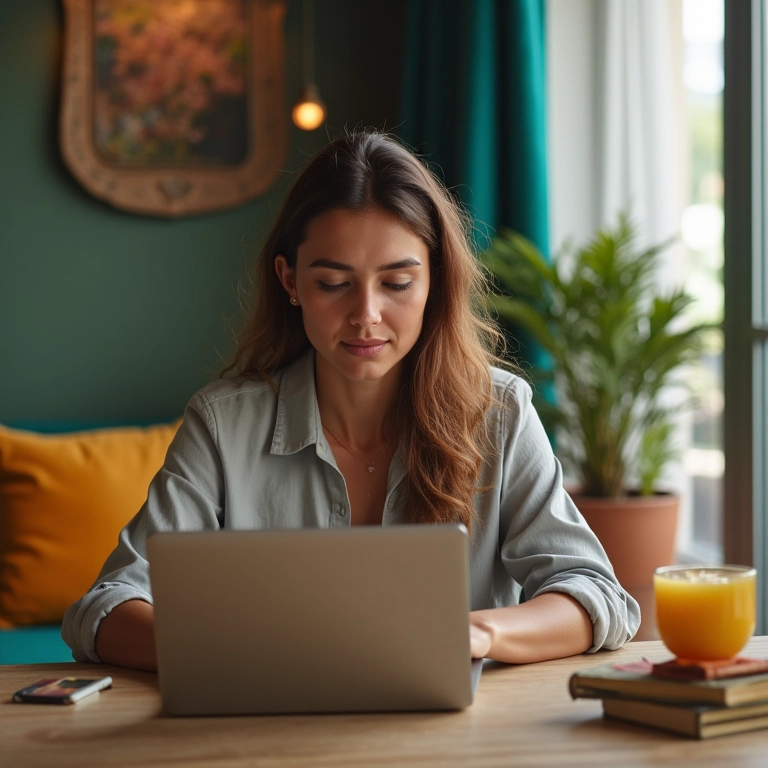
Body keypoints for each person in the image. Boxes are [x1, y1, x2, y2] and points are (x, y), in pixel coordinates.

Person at [63, 131, 640, 671]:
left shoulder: (501, 412)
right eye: (334, 283)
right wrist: (240, 653)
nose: (366, 314)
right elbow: (105, 607)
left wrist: (476, 634)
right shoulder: (222, 424)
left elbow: (597, 596)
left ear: (435, 279)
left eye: (397, 282)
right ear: (290, 282)